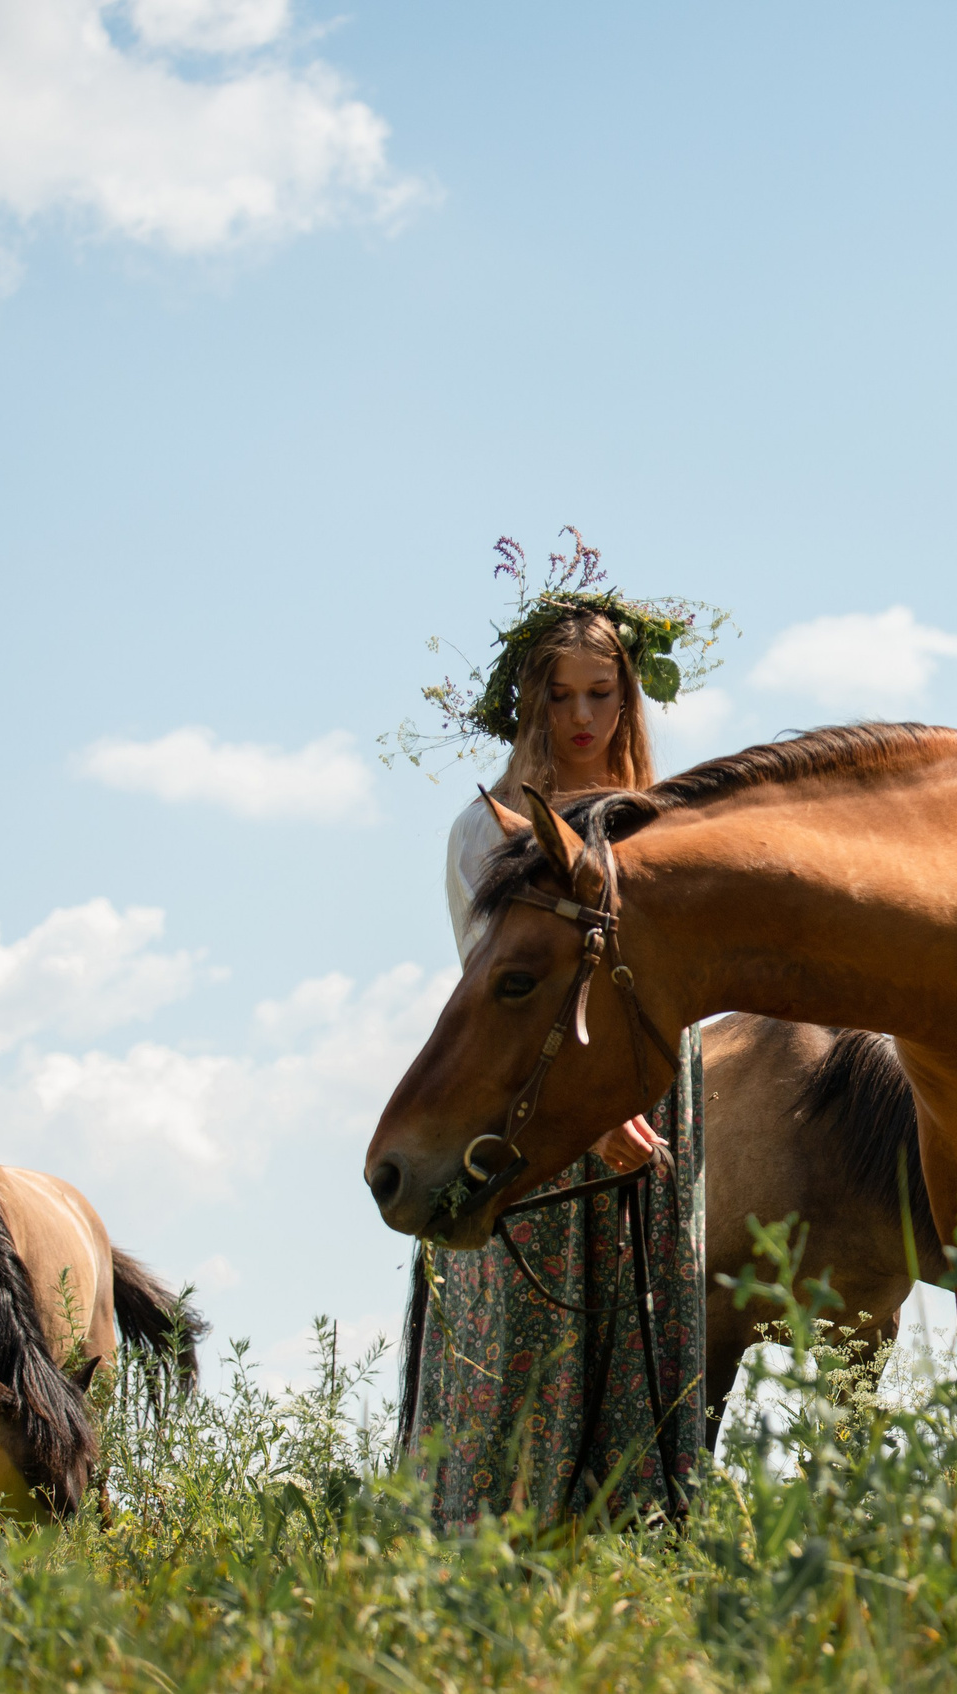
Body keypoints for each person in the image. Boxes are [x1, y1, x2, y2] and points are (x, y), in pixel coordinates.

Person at [397, 568, 717, 1529]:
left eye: (600, 693)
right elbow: (498, 994)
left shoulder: (664, 822)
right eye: (559, 694)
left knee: (648, 1309)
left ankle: (640, 1541)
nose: (581, 716)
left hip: (656, 1087)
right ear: (528, 701)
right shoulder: (486, 829)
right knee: (524, 1322)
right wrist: (595, 1114)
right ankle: (491, 1544)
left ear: (628, 698)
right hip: (532, 1092)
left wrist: (637, 1096)